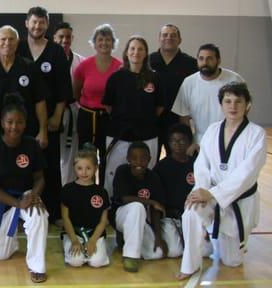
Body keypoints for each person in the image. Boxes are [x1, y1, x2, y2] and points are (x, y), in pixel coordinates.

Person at [176, 82, 267, 279]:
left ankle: (213, 237)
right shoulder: (212, 130)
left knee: (231, 261)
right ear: (222, 104)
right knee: (191, 211)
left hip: (239, 201)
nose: (232, 106)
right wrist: (201, 190)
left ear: (247, 105)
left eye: (238, 102)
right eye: (228, 101)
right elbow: (202, 164)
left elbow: (247, 173)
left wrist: (213, 193)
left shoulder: (256, 134)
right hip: (210, 195)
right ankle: (190, 263)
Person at [0, 93, 49, 283]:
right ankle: (16, 227)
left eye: (19, 122)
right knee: (2, 254)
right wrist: (18, 204)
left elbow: (40, 178)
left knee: (39, 214)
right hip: (2, 200)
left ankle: (37, 266)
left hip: (26, 194)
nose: (14, 127)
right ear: (2, 122)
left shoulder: (31, 145)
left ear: (25, 124)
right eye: (9, 122)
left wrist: (33, 196)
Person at [17, 6, 72, 223]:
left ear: (47, 25)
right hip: (20, 118)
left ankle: (53, 212)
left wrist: (57, 116)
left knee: (49, 164)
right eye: (34, 22)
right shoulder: (17, 47)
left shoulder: (56, 51)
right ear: (26, 23)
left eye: (41, 22)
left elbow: (63, 87)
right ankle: (22, 210)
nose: (37, 26)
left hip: (48, 118)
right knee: (21, 163)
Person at [102, 36, 164, 197]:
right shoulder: (116, 78)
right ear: (126, 53)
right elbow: (108, 105)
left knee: (146, 172)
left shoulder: (154, 78)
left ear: (146, 53)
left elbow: (159, 107)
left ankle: (146, 209)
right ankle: (111, 207)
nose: (136, 52)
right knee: (113, 172)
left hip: (147, 134)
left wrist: (143, 118)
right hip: (119, 134)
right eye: (132, 49)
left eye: (140, 49)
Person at [0, 25, 49, 149]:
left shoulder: (30, 67)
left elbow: (40, 101)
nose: (7, 43)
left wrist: (43, 131)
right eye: (3, 39)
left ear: (17, 42)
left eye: (11, 39)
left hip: (26, 131)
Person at [171, 43, 245, 155]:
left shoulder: (234, 79)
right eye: (201, 58)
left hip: (230, 141)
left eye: (210, 58)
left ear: (218, 60)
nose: (205, 62)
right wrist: (191, 141)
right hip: (200, 144)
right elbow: (183, 116)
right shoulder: (189, 82)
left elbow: (246, 107)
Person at [73, 24, 122, 185]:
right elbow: (76, 92)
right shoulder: (84, 66)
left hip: (109, 117)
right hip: (87, 116)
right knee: (86, 157)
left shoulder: (119, 67)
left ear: (113, 43)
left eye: (108, 40)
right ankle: (86, 190)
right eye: (100, 39)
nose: (104, 43)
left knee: (108, 156)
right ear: (94, 43)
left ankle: (104, 192)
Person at [111, 142, 167, 272]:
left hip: (139, 221)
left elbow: (156, 211)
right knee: (137, 206)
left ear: (150, 159)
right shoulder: (122, 171)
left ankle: (128, 241)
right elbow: (124, 198)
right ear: (128, 159)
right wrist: (152, 202)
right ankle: (131, 256)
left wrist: (158, 238)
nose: (138, 162)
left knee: (157, 253)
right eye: (134, 158)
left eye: (143, 158)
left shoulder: (153, 177)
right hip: (120, 217)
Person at [148, 24, 197, 157]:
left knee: (178, 159)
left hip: (179, 120)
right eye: (165, 35)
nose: (168, 38)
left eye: (173, 35)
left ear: (180, 40)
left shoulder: (191, 63)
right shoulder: (148, 61)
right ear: (159, 38)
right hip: (153, 120)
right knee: (151, 160)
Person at [61, 148, 110, 268]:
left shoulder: (101, 192)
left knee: (96, 262)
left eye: (88, 168)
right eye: (79, 168)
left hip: (95, 233)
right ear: (74, 168)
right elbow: (65, 218)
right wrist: (74, 240)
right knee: (75, 262)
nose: (84, 172)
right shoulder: (68, 189)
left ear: (96, 168)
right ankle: (68, 243)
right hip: (74, 233)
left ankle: (94, 247)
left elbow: (103, 221)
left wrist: (93, 240)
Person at [153, 123, 195, 259]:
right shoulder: (161, 167)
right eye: (173, 141)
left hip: (191, 214)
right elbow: (156, 202)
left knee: (205, 251)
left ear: (189, 142)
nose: (177, 144)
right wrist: (158, 234)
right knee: (174, 252)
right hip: (170, 217)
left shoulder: (197, 164)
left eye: (181, 140)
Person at [53, 21, 85, 185]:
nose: (64, 40)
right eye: (61, 36)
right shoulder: (48, 58)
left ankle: (69, 186)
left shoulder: (81, 61)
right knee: (53, 152)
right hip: (53, 112)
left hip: (73, 110)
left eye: (68, 37)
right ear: (54, 38)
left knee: (71, 153)